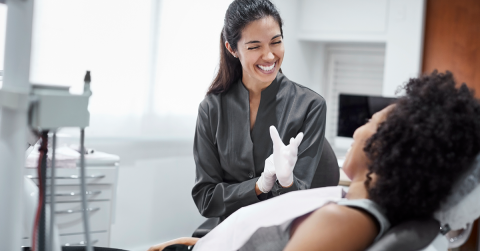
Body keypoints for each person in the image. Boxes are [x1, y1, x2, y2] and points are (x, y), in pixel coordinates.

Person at [149, 71, 480, 251]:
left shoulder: (345, 220)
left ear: (385, 151)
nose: (357, 131)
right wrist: (202, 242)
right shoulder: (349, 203)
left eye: (369, 123)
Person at [192, 0, 337, 222]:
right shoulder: (211, 109)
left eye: (275, 42)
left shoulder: (310, 106)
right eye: (254, 46)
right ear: (232, 49)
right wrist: (258, 186)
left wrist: (287, 181)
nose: (269, 56)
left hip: (284, 231)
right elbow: (206, 198)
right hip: (229, 229)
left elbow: (300, 198)